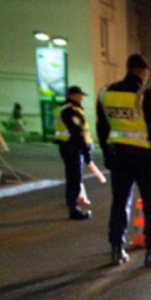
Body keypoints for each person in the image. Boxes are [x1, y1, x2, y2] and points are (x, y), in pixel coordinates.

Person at [97, 54, 151, 266]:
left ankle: (116, 249)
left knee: (120, 202)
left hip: (118, 157)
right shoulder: (144, 96)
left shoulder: (106, 94)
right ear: (142, 73)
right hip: (143, 159)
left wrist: (107, 155)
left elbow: (102, 128)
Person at [54, 86, 93, 220]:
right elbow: (77, 132)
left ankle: (73, 206)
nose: (81, 98)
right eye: (80, 95)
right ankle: (73, 209)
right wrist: (86, 151)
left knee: (73, 177)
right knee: (74, 179)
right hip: (72, 147)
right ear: (73, 95)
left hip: (68, 146)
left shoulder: (63, 108)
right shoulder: (70, 110)